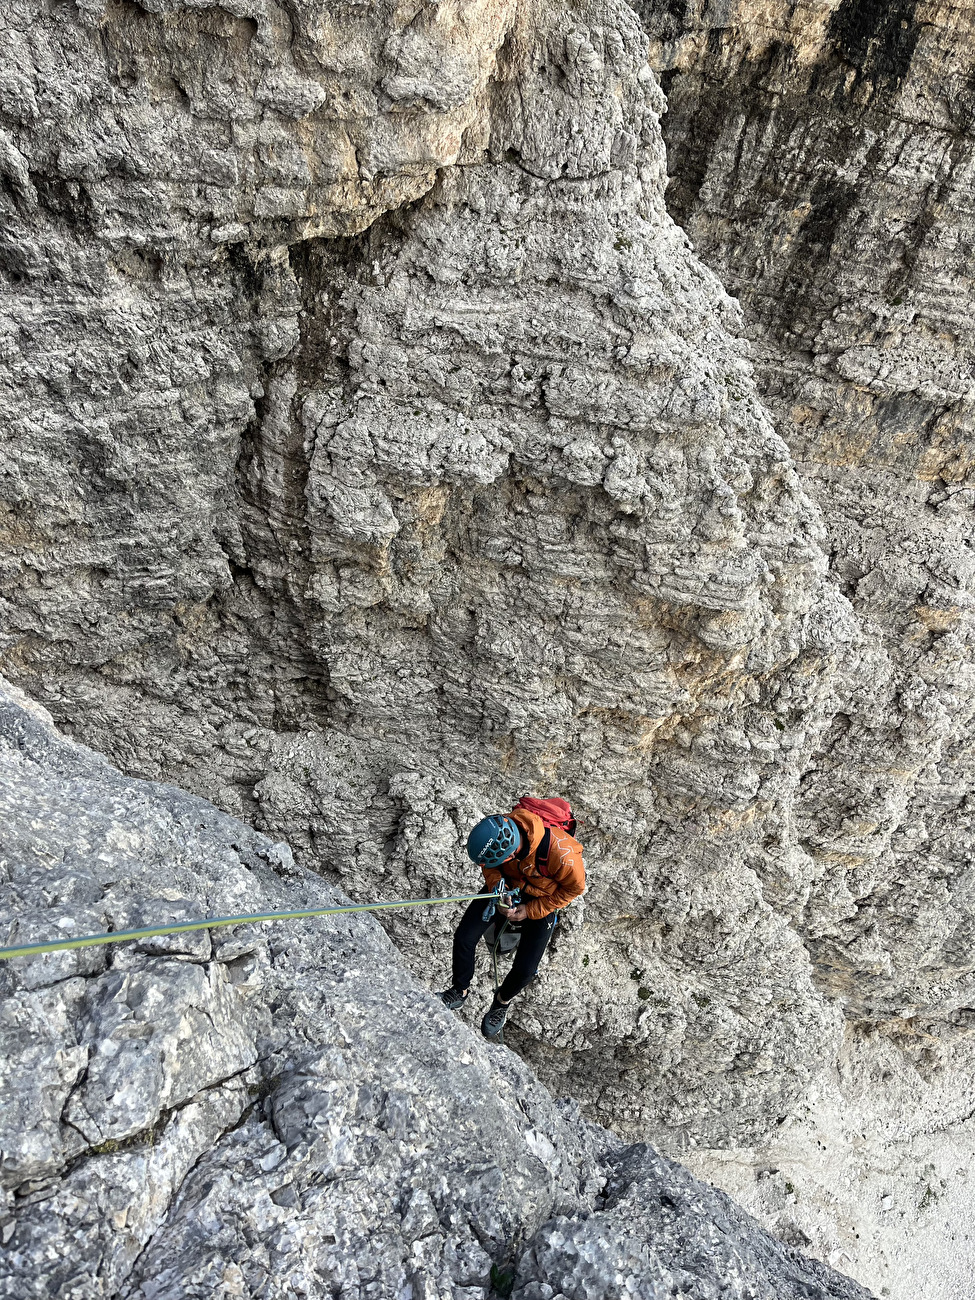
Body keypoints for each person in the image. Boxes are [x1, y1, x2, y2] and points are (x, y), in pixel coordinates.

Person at [439, 796, 585, 1040]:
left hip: (542, 899)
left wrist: (531, 911)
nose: (489, 863)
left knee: (526, 969)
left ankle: (501, 1002)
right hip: (507, 887)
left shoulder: (563, 855)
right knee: (464, 937)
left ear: (509, 855)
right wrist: (499, 889)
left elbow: (573, 889)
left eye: (499, 860)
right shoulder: (502, 829)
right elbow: (489, 865)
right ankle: (460, 990)